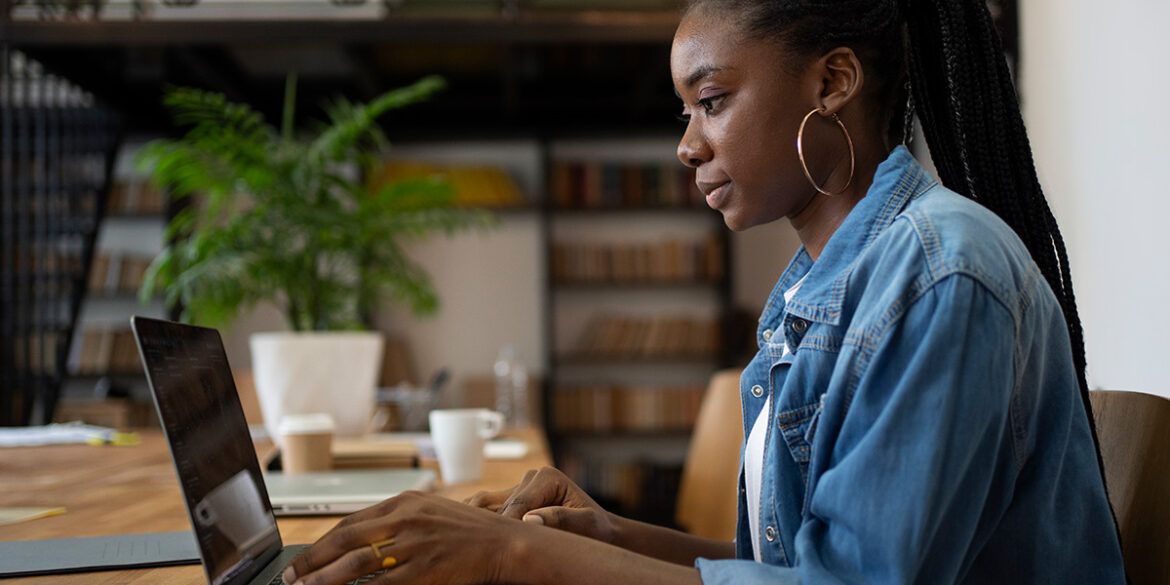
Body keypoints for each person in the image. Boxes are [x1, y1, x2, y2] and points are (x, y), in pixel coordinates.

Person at [280, 1, 1127, 584]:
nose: (688, 146)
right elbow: (800, 563)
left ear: (831, 83)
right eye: (685, 112)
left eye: (712, 101)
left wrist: (516, 555)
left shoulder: (939, 278)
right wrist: (617, 536)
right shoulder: (826, 289)